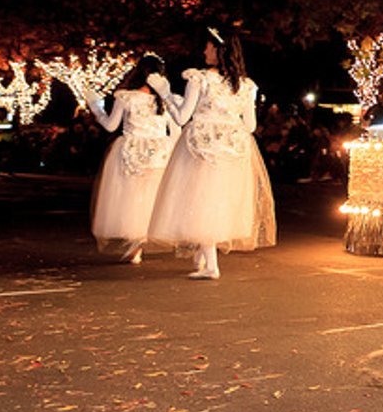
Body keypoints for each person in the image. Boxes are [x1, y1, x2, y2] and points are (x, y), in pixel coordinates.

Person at [148, 27, 277, 280]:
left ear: (219, 50)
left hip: (202, 144)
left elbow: (183, 117)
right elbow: (250, 126)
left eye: (208, 46)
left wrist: (166, 94)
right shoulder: (246, 86)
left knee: (199, 199)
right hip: (233, 147)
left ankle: (211, 265)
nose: (204, 50)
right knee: (217, 200)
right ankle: (203, 257)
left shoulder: (200, 79)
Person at [81, 54, 180, 263]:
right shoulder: (166, 101)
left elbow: (110, 126)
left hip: (132, 149)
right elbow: (176, 130)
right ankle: (141, 241)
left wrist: (97, 108)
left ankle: (136, 245)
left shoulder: (126, 98)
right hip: (160, 151)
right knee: (154, 197)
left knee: (131, 198)